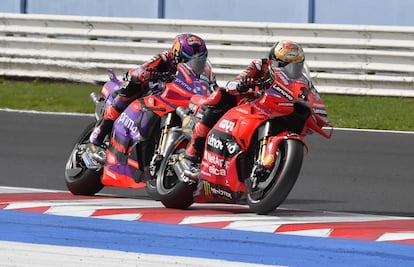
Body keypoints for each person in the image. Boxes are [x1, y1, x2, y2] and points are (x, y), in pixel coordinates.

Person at [181, 40, 312, 178]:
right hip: (249, 103)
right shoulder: (260, 65)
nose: (291, 72)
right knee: (222, 96)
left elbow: (310, 98)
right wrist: (242, 84)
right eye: (286, 67)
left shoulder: (302, 82)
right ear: (274, 62)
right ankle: (193, 153)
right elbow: (236, 81)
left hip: (276, 108)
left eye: (296, 67)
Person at [89, 33, 215, 149]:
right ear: (178, 56)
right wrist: (146, 74)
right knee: (133, 88)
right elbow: (141, 70)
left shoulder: (205, 72)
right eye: (190, 61)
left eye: (200, 61)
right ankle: (103, 128)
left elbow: (212, 87)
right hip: (156, 90)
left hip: (179, 97)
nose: (196, 66)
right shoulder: (164, 58)